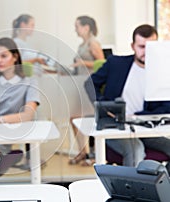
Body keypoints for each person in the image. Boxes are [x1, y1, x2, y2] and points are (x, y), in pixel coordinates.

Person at [84, 24, 170, 166]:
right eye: (142, 47)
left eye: (150, 47)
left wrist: (141, 116)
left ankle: (163, 187)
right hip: (117, 127)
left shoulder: (162, 71)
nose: (146, 52)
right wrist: (104, 106)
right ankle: (131, 188)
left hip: (145, 127)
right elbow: (90, 84)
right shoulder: (116, 64)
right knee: (136, 149)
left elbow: (167, 106)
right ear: (133, 46)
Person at [0, 37, 40, 179]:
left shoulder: (29, 83)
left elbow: (28, 115)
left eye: (4, 56)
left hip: (2, 139)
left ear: (15, 57)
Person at [69, 16, 104, 166]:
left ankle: (95, 154)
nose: (75, 29)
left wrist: (81, 62)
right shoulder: (82, 45)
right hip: (80, 84)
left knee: (89, 120)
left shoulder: (93, 43)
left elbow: (102, 64)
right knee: (74, 119)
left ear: (86, 27)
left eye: (77, 26)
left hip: (89, 86)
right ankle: (82, 151)